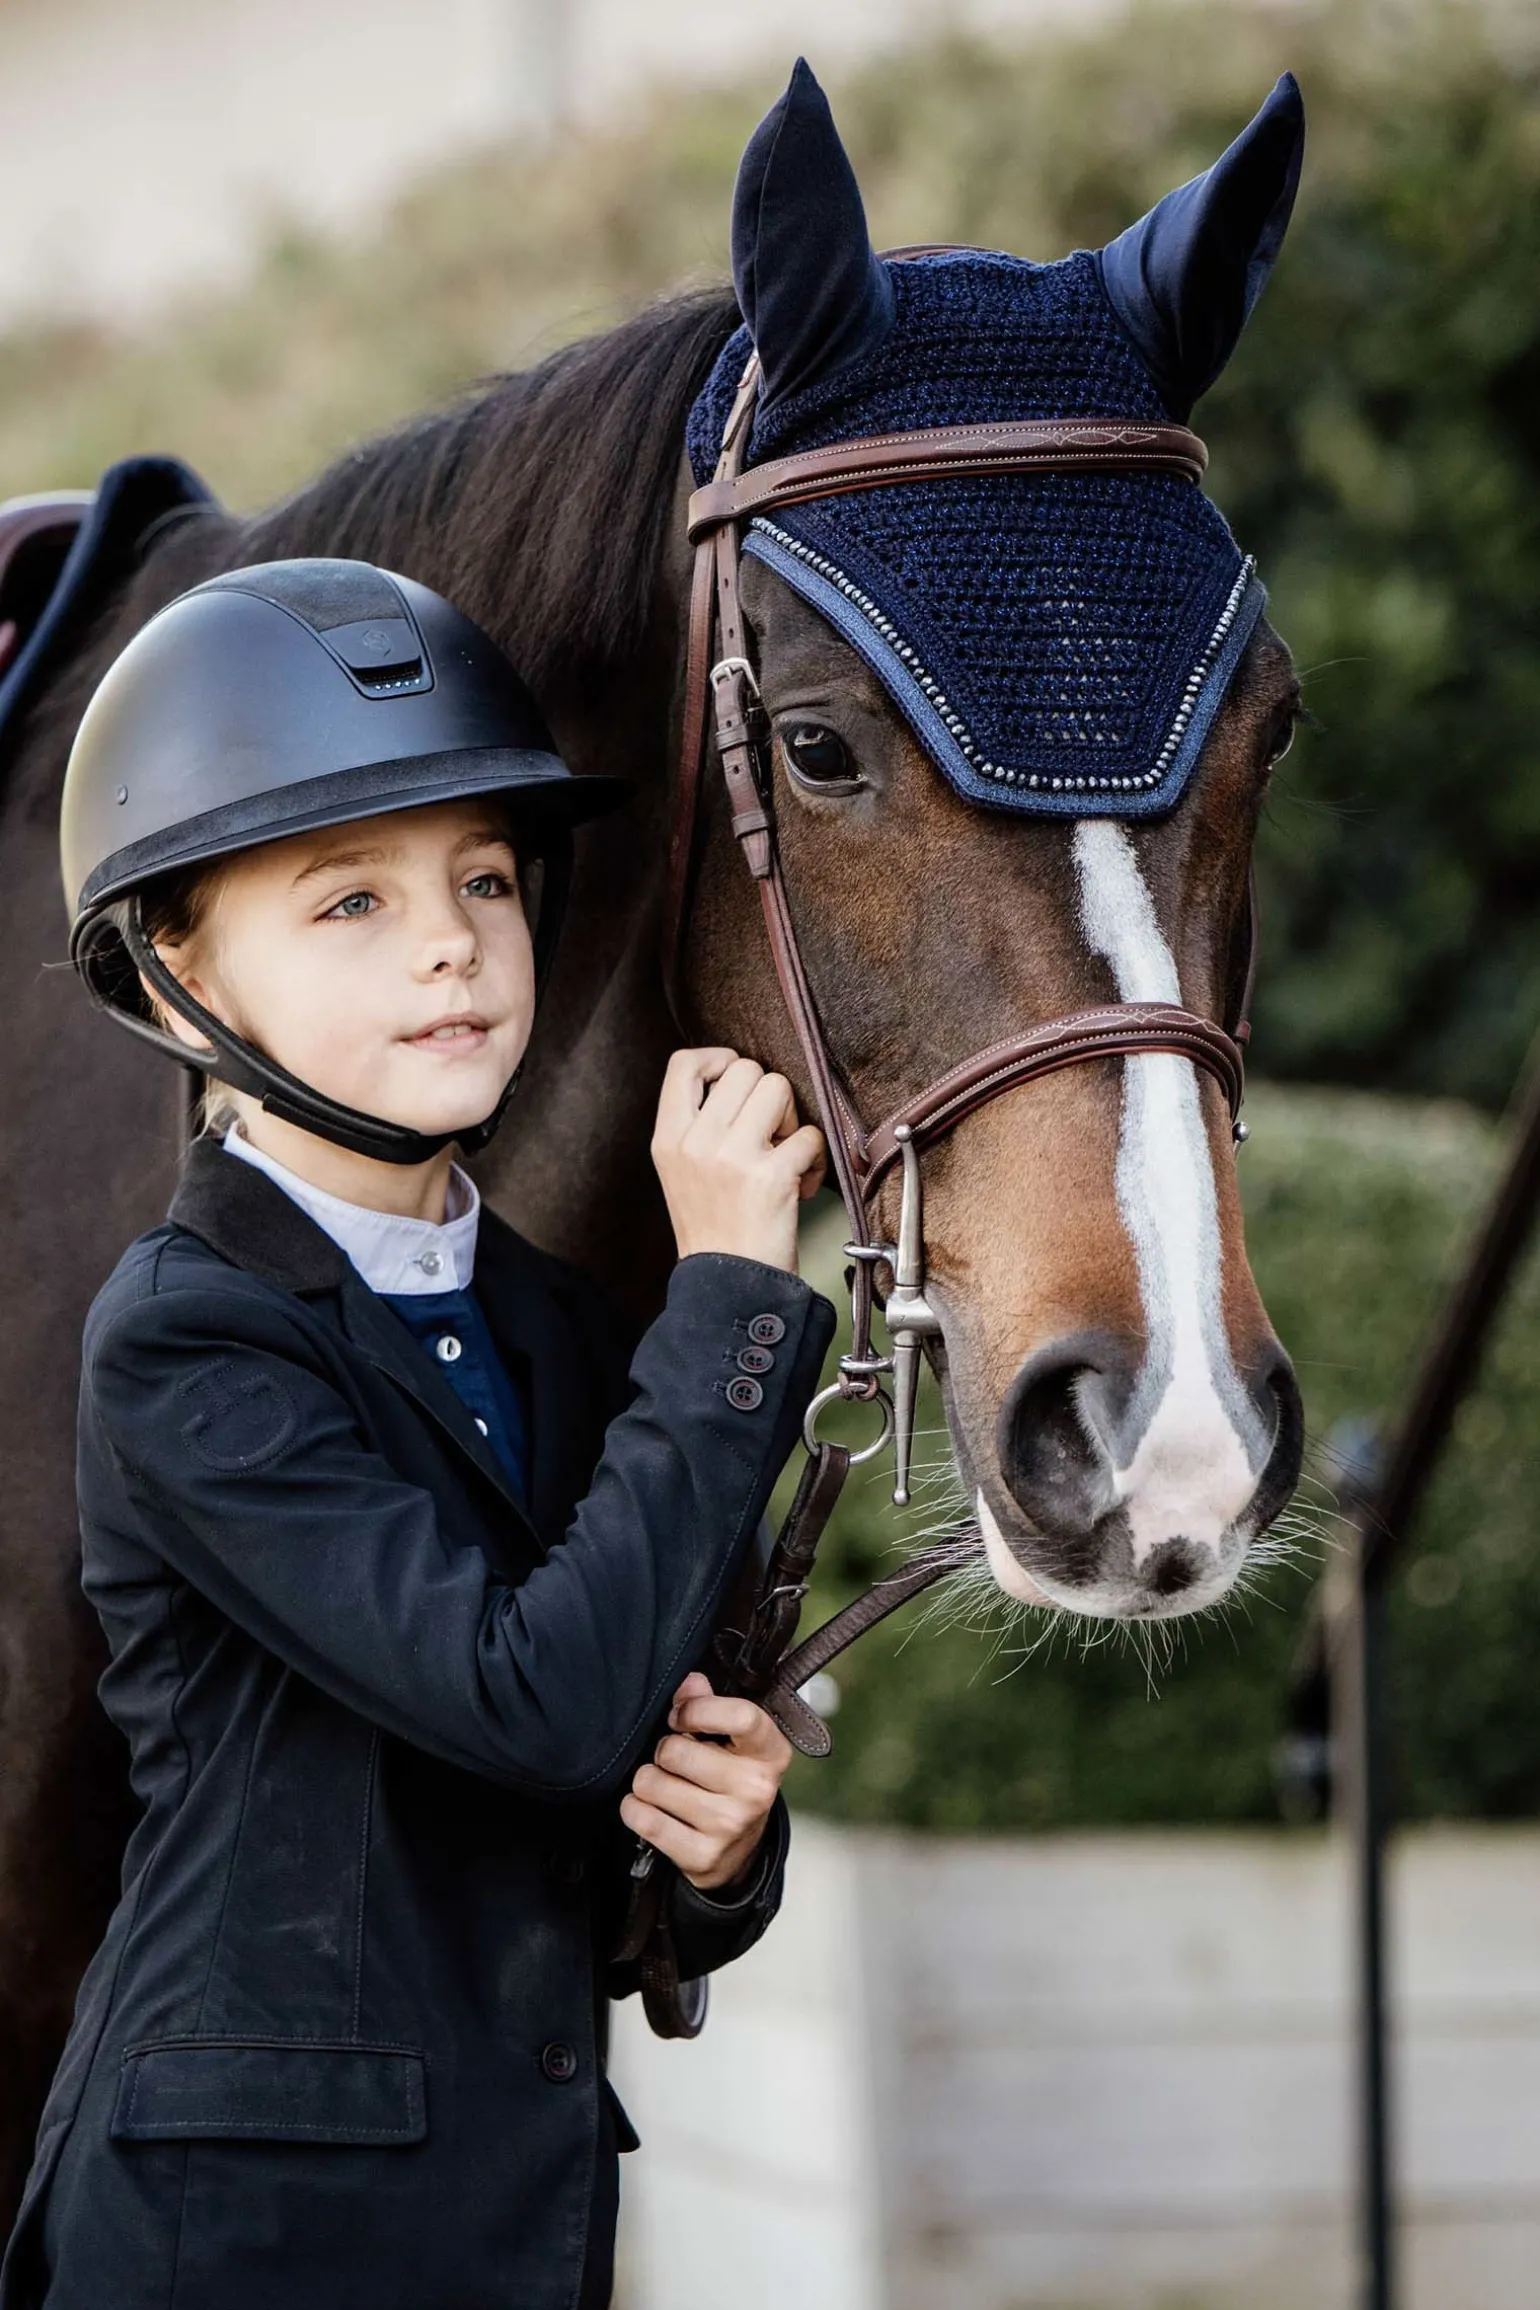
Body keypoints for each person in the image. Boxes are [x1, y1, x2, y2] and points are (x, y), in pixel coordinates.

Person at [0, 558, 835, 2310]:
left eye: (483, 878)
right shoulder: (186, 1337)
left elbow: (616, 1783)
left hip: (515, 2226)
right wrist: (733, 1295)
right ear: (175, 967)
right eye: (351, 899)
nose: (451, 937)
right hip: (237, 2240)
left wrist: (719, 1851)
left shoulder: (573, 1328)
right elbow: (533, 1704)